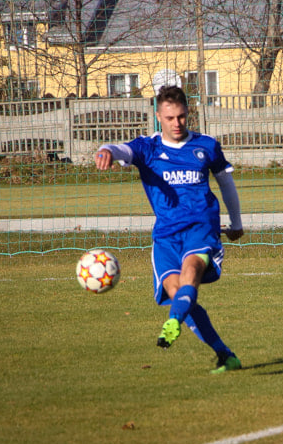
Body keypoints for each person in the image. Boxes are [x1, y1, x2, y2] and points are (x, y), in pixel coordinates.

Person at [94, 85, 244, 373]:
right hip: (165, 235)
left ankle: (173, 322)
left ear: (189, 114)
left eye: (183, 117)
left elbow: (225, 181)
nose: (177, 124)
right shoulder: (148, 148)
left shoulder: (206, 145)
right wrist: (105, 150)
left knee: (191, 272)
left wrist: (236, 223)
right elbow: (121, 149)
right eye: (171, 118)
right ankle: (225, 355)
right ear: (158, 116)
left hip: (201, 228)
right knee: (177, 294)